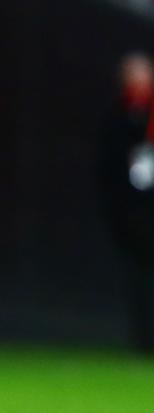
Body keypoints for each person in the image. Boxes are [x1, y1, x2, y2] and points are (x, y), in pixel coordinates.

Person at [101, 51, 154, 355]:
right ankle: (142, 342)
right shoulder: (117, 118)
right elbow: (108, 170)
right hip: (134, 218)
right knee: (137, 280)